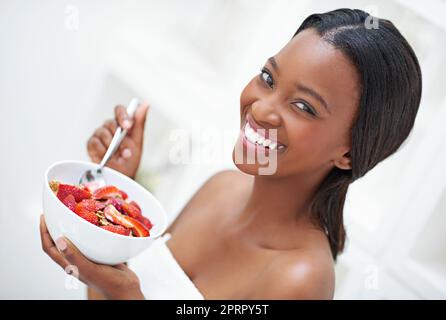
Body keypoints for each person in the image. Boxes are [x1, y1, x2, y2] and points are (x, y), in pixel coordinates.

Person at [40, 8, 422, 299]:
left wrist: (126, 294)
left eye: (304, 106)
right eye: (268, 78)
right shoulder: (221, 187)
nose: (259, 109)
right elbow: (108, 289)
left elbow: (122, 291)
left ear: (349, 153)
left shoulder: (301, 278)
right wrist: (113, 191)